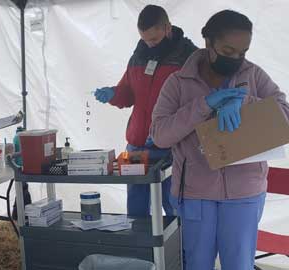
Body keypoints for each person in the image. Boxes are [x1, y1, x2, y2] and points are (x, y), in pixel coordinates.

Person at [150, 10, 289, 270]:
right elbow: (160, 135)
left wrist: (245, 102)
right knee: (197, 263)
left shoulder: (254, 75)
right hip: (194, 194)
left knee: (238, 264)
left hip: (244, 193)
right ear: (208, 43)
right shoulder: (178, 83)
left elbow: (285, 117)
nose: (236, 58)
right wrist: (202, 105)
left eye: (242, 52)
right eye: (228, 50)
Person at [94, 5, 197, 216]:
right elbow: (128, 93)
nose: (149, 45)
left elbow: (197, 103)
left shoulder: (189, 57)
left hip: (173, 147)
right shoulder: (139, 56)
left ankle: (180, 249)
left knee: (175, 207)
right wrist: (113, 94)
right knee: (137, 209)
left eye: (154, 40)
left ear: (167, 28)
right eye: (145, 39)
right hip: (138, 146)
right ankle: (142, 249)